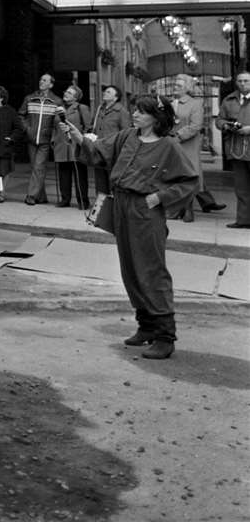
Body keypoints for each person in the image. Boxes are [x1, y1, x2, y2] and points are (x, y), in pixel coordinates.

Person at [67, 95, 201, 360]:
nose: (135, 115)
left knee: (150, 269)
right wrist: (78, 137)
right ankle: (146, 326)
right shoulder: (127, 136)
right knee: (129, 267)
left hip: (145, 210)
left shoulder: (168, 146)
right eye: (135, 110)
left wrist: (159, 198)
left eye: (142, 112)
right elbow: (97, 152)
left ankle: (165, 335)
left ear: (156, 117)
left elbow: (189, 182)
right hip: (121, 205)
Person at [169, 74, 226, 220]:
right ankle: (180, 209)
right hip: (170, 146)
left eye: (179, 85)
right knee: (174, 177)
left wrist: (177, 136)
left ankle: (187, 209)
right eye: (175, 84)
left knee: (189, 176)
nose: (175, 87)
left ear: (187, 88)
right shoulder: (169, 103)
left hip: (187, 145)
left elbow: (195, 126)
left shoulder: (195, 104)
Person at [215, 71, 250, 228]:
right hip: (237, 149)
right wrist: (225, 125)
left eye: (247, 81)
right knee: (241, 187)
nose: (243, 84)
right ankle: (243, 220)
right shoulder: (228, 100)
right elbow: (219, 120)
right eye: (240, 81)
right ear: (236, 82)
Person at [22, 73, 63, 205]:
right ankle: (42, 197)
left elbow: (58, 122)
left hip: (45, 140)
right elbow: (21, 115)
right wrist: (27, 129)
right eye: (41, 79)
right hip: (31, 138)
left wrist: (53, 136)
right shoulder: (29, 98)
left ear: (51, 85)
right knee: (35, 167)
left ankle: (31, 196)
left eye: (45, 80)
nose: (41, 82)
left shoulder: (56, 101)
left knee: (38, 167)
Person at [89, 85, 133, 198]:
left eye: (108, 92)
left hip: (112, 150)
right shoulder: (100, 109)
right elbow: (93, 126)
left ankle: (114, 206)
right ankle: (100, 208)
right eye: (105, 91)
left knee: (112, 179)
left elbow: (126, 132)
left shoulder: (121, 111)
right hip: (98, 148)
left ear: (115, 97)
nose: (105, 93)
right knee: (100, 180)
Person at [53, 84, 91, 209]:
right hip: (61, 145)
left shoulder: (82, 108)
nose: (65, 94)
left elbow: (88, 127)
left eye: (69, 93)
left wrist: (83, 140)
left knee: (80, 174)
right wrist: (53, 140)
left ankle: (83, 200)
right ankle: (65, 199)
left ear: (76, 97)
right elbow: (55, 125)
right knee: (64, 173)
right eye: (66, 91)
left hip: (76, 144)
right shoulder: (59, 109)